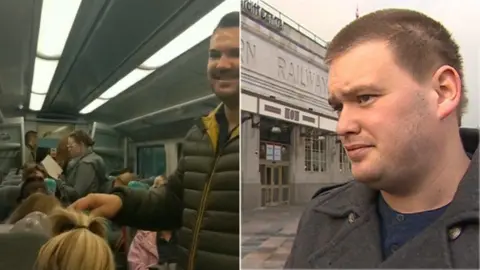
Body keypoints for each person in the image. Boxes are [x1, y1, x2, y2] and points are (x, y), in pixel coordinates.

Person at [284, 9, 478, 269]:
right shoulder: (322, 219)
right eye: (338, 108)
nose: (343, 126)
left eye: (365, 98)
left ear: (443, 92)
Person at [72, 11, 240, 270]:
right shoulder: (200, 136)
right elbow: (172, 202)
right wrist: (121, 202)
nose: (222, 64)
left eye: (236, 53)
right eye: (214, 54)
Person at [64, 130, 108, 197]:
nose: (69, 149)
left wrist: (59, 184)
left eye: (71, 146)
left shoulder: (86, 164)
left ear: (81, 145)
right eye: (68, 147)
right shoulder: (93, 157)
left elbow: (76, 194)